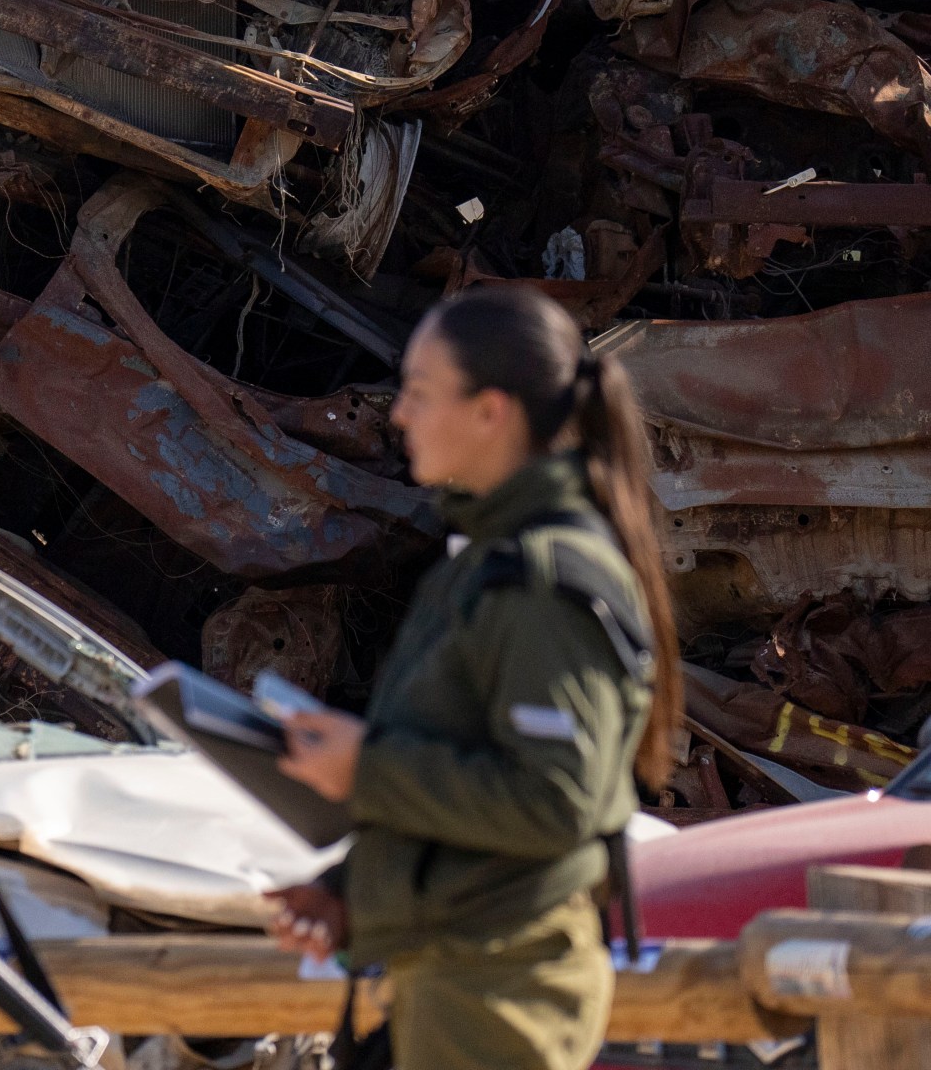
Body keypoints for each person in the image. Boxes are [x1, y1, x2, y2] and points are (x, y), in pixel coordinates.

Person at [270, 284, 681, 1070]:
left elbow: (554, 800)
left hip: (495, 1001)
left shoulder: (540, 578)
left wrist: (366, 767)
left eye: (420, 393)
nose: (397, 414)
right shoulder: (483, 564)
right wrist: (350, 891)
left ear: (490, 412)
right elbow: (465, 776)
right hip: (443, 981)